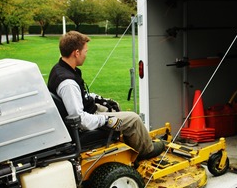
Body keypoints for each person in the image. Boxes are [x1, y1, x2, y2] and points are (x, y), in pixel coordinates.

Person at [48, 31, 165, 160]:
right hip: (86, 122)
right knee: (133, 119)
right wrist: (105, 120)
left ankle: (131, 143)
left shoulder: (61, 68)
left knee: (115, 106)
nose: (86, 55)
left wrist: (100, 99)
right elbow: (80, 120)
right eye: (85, 51)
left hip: (89, 109)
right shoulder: (68, 84)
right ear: (76, 53)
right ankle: (146, 151)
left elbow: (80, 95)